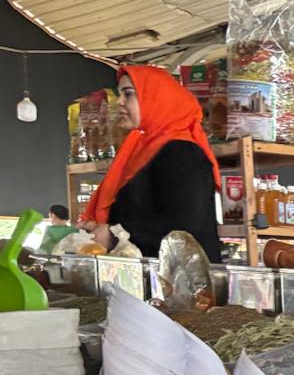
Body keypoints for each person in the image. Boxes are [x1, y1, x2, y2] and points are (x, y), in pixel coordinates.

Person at [83, 66, 222, 262]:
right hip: (154, 279)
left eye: (128, 94)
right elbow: (139, 212)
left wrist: (113, 236)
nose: (120, 102)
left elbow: (183, 227)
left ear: (156, 97)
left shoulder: (181, 152)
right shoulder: (142, 151)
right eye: (119, 94)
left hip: (182, 284)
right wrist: (100, 228)